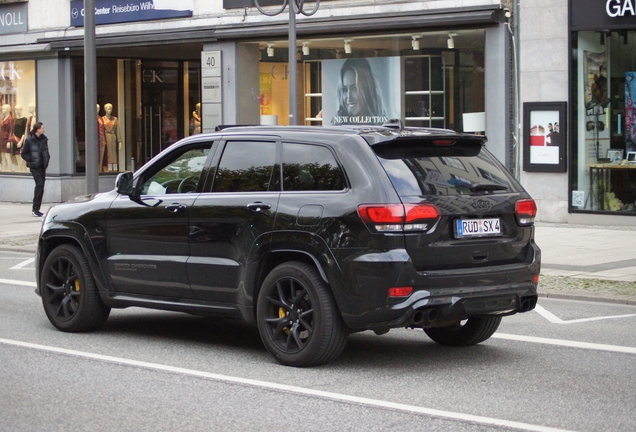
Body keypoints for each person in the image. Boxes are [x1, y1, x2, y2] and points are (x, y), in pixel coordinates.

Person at [330, 58, 387, 125]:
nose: (349, 97)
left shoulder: (382, 124)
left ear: (366, 89)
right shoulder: (336, 123)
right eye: (345, 89)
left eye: (354, 89)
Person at [20, 122, 50, 217]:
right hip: (34, 167)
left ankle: (37, 209)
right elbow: (23, 153)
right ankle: (35, 209)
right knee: (39, 185)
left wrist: (46, 160)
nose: (44, 129)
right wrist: (31, 160)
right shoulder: (29, 140)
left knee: (41, 187)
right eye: (42, 127)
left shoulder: (44, 139)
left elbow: (45, 151)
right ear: (38, 129)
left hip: (42, 166)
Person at [102, 103, 122, 171]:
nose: (109, 110)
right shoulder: (102, 119)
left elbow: (118, 130)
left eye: (110, 109)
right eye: (108, 109)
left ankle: (115, 167)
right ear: (105, 109)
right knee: (107, 153)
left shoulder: (115, 119)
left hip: (113, 137)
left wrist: (119, 141)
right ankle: (108, 168)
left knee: (113, 152)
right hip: (106, 137)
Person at [1, 104, 15, 171]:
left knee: (7, 155)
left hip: (6, 139)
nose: (2, 110)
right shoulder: (3, 118)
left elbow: (11, 131)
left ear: (8, 110)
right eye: (2, 109)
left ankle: (9, 170)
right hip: (1, 139)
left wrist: (9, 141)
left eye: (4, 109)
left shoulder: (10, 119)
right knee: (2, 155)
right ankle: (3, 169)